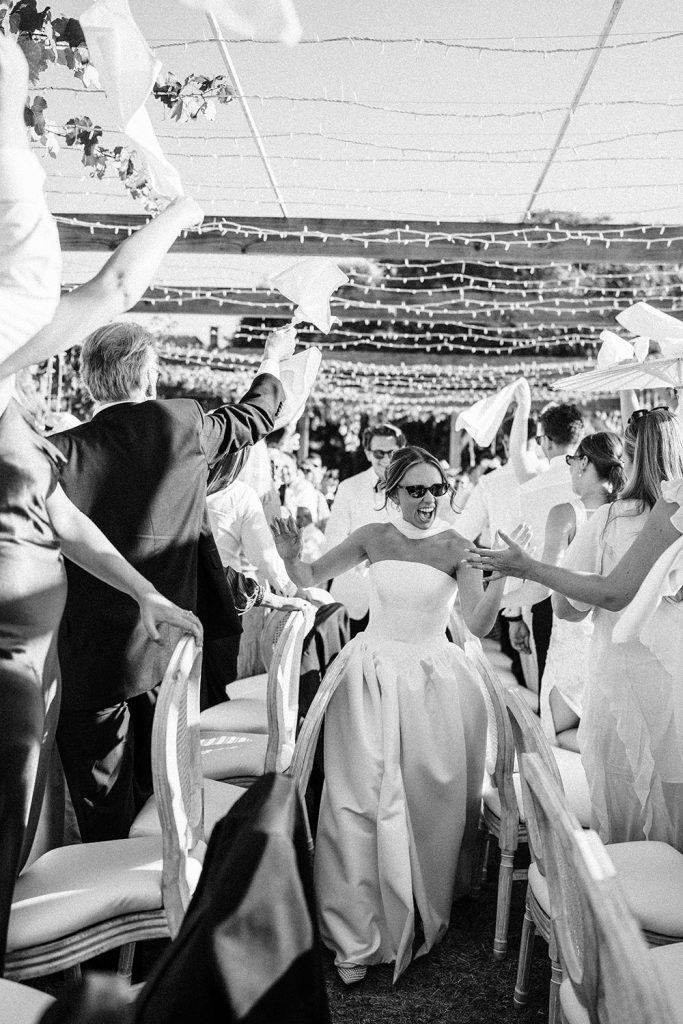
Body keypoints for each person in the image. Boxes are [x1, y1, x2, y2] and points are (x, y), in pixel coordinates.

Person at [272, 446, 529, 983]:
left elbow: (478, 625)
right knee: (356, 798)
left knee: (422, 799)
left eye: (437, 489)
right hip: (368, 679)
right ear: (392, 492)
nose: (429, 499)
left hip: (432, 684)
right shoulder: (372, 536)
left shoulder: (459, 547)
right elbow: (309, 576)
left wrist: (503, 577)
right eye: (416, 489)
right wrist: (290, 555)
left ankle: (415, 902)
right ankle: (354, 929)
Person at [50, 323, 292, 842]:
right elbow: (256, 414)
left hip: (87, 666)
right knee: (165, 797)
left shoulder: (58, 454)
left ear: (89, 381)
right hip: (170, 658)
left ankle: (112, 875)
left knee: (103, 818)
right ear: (149, 374)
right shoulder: (183, 423)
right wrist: (272, 358)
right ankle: (170, 880)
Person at [469, 409, 683, 849]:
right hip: (674, 678)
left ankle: (621, 884)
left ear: (630, 455)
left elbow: (570, 609)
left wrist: (533, 569)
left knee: (622, 806)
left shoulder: (609, 521)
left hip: (622, 684)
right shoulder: (673, 514)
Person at [505, 433, 626, 746]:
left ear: (583, 463)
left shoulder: (565, 514)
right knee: (611, 732)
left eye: (572, 462)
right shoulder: (627, 513)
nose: (570, 469)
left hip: (574, 643)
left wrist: (499, 601)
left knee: (559, 735)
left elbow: (542, 586)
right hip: (616, 642)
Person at [514, 401, 585, 691]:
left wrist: (514, 613)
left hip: (544, 595)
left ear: (547, 441)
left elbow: (521, 550)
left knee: (549, 684)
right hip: (591, 592)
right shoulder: (598, 484)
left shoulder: (530, 490)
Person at [323, 422, 406, 633]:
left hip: (399, 597)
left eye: (392, 453)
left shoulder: (413, 488)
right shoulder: (348, 487)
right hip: (353, 595)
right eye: (379, 453)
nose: (386, 459)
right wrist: (360, 559)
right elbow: (333, 536)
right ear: (368, 453)